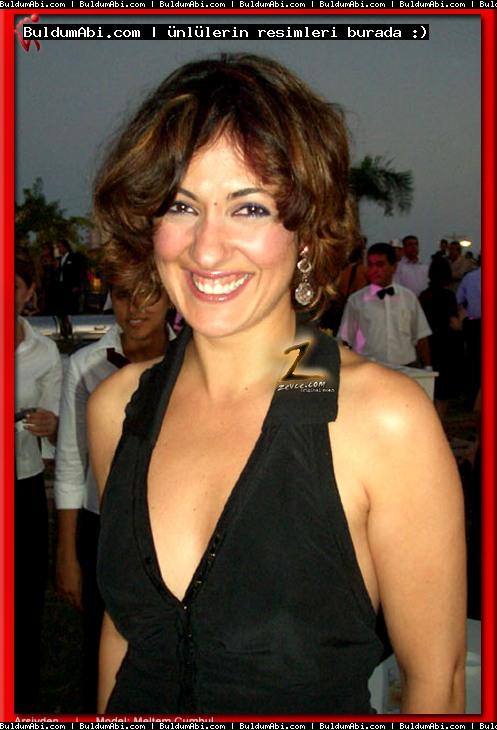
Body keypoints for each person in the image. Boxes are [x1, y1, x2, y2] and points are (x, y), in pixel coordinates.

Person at [88, 54, 466, 714]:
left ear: (307, 232)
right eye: (181, 206)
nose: (207, 249)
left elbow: (436, 683)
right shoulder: (118, 407)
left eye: (249, 207)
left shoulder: (380, 422)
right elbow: (125, 631)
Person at [54, 264, 173, 711]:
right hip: (102, 523)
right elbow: (71, 461)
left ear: (169, 297)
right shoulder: (86, 365)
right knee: (101, 642)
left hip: (168, 523)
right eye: (124, 296)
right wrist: (67, 551)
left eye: (148, 295)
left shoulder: (193, 360)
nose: (135, 308)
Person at [14, 252, 63, 711]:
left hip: (23, 487)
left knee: (24, 605)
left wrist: (52, 424)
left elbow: (54, 427)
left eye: (12, 286)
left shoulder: (43, 353)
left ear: (29, 292)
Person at [339, 242, 432, 368]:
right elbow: (345, 339)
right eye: (370, 265)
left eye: (380, 264)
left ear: (394, 267)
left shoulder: (408, 298)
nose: (374, 270)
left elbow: (421, 335)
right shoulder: (356, 301)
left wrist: (428, 367)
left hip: (405, 367)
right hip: (369, 368)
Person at [419, 256, 463, 418]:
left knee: (429, 388)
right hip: (446, 346)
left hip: (428, 345)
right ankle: (438, 425)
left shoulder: (423, 295)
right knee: (443, 394)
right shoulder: (448, 295)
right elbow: (454, 323)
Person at [456, 265, 482, 407]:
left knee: (473, 361)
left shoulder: (469, 277)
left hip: (474, 324)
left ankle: (472, 398)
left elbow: (458, 300)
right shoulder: (469, 277)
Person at [54, 239, 88, 338]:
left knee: (71, 308)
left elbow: (79, 272)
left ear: (65, 247)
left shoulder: (74, 257)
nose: (59, 249)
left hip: (71, 288)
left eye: (60, 247)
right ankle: (64, 329)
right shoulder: (59, 259)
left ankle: (72, 329)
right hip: (61, 287)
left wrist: (77, 286)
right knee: (62, 309)